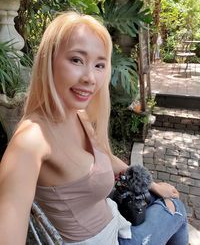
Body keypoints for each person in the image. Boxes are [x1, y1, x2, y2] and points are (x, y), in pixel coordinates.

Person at [0, 12, 188, 245]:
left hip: (116, 226)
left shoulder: (79, 115)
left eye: (99, 65)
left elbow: (106, 157)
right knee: (177, 210)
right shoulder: (31, 140)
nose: (90, 78)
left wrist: (152, 184)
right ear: (49, 60)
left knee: (168, 201)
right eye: (77, 60)